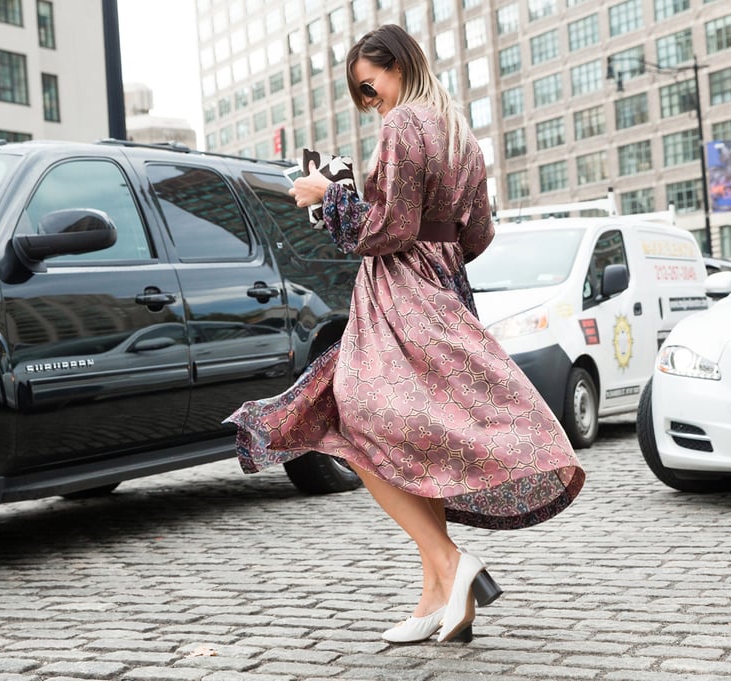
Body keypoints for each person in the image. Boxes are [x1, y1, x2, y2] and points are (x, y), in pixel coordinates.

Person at [225, 24, 585, 644]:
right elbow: (480, 235)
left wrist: (327, 195)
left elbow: (387, 228)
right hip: (446, 286)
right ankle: (439, 598)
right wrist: (436, 250)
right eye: (363, 96)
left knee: (361, 423)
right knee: (419, 434)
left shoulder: (404, 125)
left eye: (371, 85)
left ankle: (451, 565)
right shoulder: (458, 132)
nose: (373, 103)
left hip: (400, 290)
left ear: (397, 66)